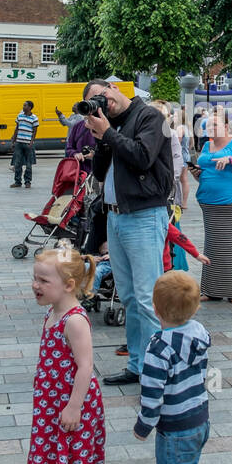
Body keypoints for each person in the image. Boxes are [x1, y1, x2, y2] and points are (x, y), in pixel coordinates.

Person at [86, 79, 175, 388]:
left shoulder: (149, 116)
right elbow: (98, 173)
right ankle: (137, 364)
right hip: (116, 217)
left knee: (148, 297)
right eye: (94, 101)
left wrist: (109, 132)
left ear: (115, 88)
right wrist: (101, 137)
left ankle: (157, 370)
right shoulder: (113, 125)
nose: (102, 103)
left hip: (144, 215)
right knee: (129, 298)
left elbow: (142, 156)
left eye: (103, 96)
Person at [29, 247, 105, 464]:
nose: (36, 285)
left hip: (75, 408)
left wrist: (73, 407)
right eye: (35, 279)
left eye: (44, 280)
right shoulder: (54, 312)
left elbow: (85, 366)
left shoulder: (74, 320)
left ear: (69, 285)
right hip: (58, 404)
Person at [133, 271, 211, 464]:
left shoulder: (159, 346)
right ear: (196, 306)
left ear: (155, 309)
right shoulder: (200, 332)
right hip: (199, 417)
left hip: (176, 425)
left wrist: (143, 425)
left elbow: (153, 393)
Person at [192, 104, 232, 304]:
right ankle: (212, 290)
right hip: (208, 202)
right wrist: (197, 174)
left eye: (214, 125)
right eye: (207, 126)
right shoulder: (206, 146)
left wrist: (231, 159)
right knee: (212, 246)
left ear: (226, 125)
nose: (210, 129)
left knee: (231, 245)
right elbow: (207, 172)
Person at [10, 100, 39, 189]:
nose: (23, 107)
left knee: (28, 164)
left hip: (28, 144)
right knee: (17, 163)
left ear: (30, 107)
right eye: (23, 105)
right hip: (19, 143)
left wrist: (31, 142)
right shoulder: (20, 116)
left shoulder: (34, 118)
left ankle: (28, 181)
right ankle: (17, 181)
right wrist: (13, 141)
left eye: (25, 105)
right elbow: (17, 129)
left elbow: (34, 131)